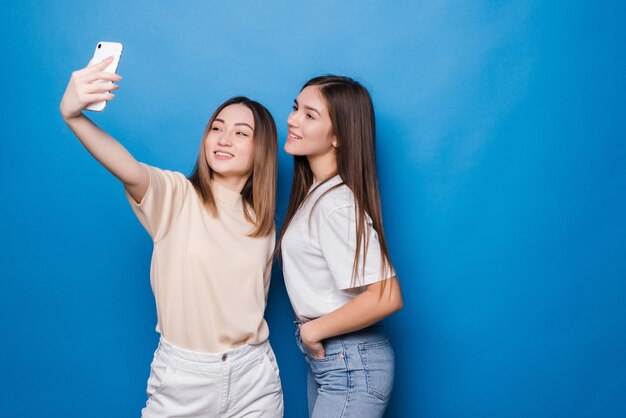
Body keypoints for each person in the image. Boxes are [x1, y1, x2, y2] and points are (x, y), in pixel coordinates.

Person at [60, 56, 283, 417]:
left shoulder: (263, 223)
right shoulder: (177, 195)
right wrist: (74, 116)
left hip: (254, 377)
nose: (224, 139)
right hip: (184, 380)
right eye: (217, 128)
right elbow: (128, 168)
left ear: (262, 149)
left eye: (241, 132)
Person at [278, 75, 403, 417]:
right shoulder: (318, 194)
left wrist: (313, 330)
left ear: (337, 136)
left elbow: (386, 295)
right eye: (295, 108)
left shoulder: (337, 204)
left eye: (310, 115)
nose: (292, 119)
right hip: (338, 360)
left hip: (350, 361)